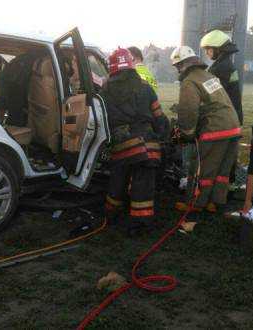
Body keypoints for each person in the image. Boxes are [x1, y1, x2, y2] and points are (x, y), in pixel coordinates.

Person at [102, 48, 169, 235]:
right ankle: (139, 224)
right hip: (148, 145)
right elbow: (159, 117)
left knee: (117, 181)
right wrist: (165, 136)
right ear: (131, 65)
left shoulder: (105, 89)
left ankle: (111, 215)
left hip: (122, 146)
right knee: (143, 185)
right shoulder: (144, 87)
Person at [170, 46, 241, 214]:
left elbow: (189, 111)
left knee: (202, 168)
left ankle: (195, 203)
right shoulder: (209, 75)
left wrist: (185, 133)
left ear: (181, 65)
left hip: (215, 128)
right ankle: (215, 202)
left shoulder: (189, 81)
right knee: (222, 170)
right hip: (233, 127)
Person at [200, 29, 243, 125]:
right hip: (233, 115)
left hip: (225, 119)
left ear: (218, 49)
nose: (206, 53)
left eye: (208, 49)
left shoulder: (221, 68)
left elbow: (212, 96)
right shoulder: (226, 63)